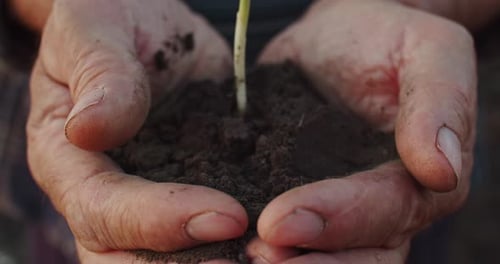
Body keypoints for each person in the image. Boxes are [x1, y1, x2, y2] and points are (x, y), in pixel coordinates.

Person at [1, 0, 495, 263]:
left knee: (400, 212)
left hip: (371, 103)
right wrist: (71, 11)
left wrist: (414, 5)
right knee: (91, 225)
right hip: (134, 73)